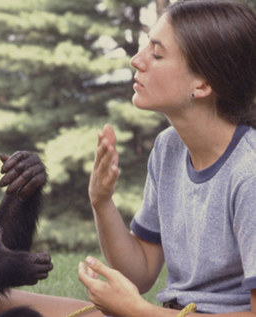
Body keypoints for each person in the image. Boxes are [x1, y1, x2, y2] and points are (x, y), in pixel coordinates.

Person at [78, 0, 256, 316]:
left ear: (201, 84)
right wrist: (101, 201)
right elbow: (141, 271)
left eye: (157, 54)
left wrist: (137, 311)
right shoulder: (169, 148)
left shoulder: (249, 171)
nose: (136, 60)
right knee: (1, 303)